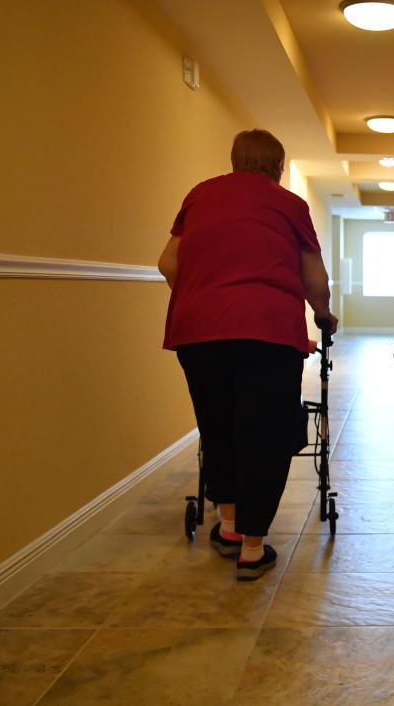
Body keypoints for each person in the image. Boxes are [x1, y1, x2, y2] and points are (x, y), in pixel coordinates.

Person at [158, 129, 337, 580]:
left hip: (199, 332)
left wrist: (203, 297)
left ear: (234, 160)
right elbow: (313, 276)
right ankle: (253, 549)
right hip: (267, 333)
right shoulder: (289, 204)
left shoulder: (200, 195)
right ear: (278, 166)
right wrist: (324, 314)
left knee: (218, 427)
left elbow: (168, 264)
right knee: (265, 433)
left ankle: (231, 527)